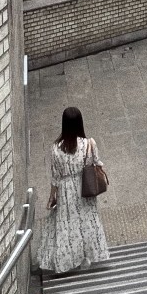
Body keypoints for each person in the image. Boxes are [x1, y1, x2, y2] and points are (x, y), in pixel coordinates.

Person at [36, 106, 110, 274]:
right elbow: (97, 162)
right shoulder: (88, 144)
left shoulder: (56, 148)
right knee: (87, 221)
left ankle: (68, 260)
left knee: (68, 226)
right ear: (79, 123)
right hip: (85, 187)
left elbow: (55, 176)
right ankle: (88, 256)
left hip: (65, 191)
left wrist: (52, 197)